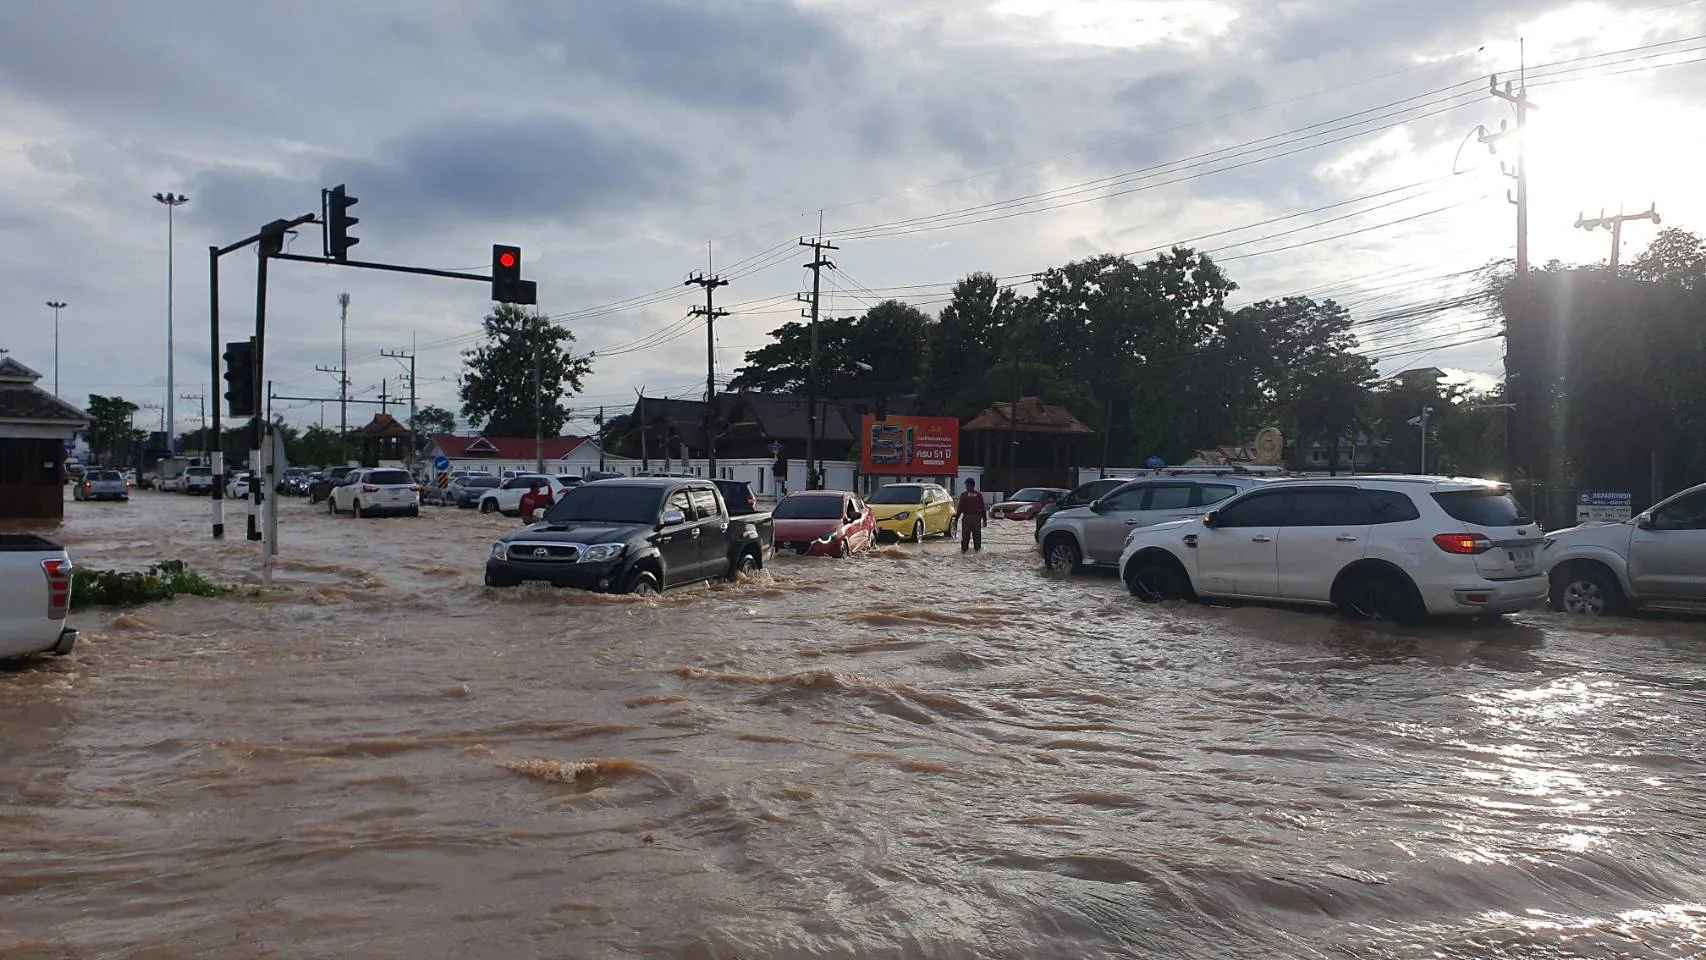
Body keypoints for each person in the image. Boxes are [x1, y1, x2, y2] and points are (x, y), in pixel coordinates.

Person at [956, 477, 987, 553]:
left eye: (966, 485)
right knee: (977, 537)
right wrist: (985, 520)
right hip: (976, 518)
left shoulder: (964, 495)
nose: (966, 486)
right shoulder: (978, 495)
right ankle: (977, 552)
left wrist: (956, 519)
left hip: (967, 518)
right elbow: (983, 509)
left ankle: (964, 552)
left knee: (965, 537)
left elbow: (960, 508)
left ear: (969, 485)